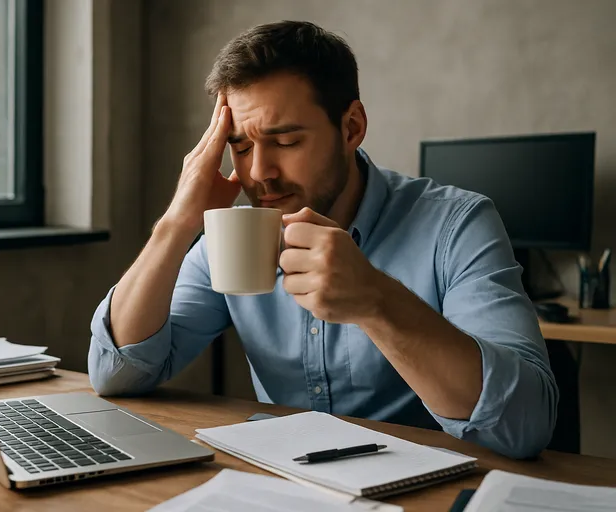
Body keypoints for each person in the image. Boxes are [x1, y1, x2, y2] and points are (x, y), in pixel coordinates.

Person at [88, 20, 557, 459]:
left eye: (286, 142)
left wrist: (377, 301)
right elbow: (118, 373)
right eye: (242, 146)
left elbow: (525, 424)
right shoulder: (233, 237)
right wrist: (177, 222)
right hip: (282, 484)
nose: (258, 173)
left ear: (351, 127)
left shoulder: (456, 224)